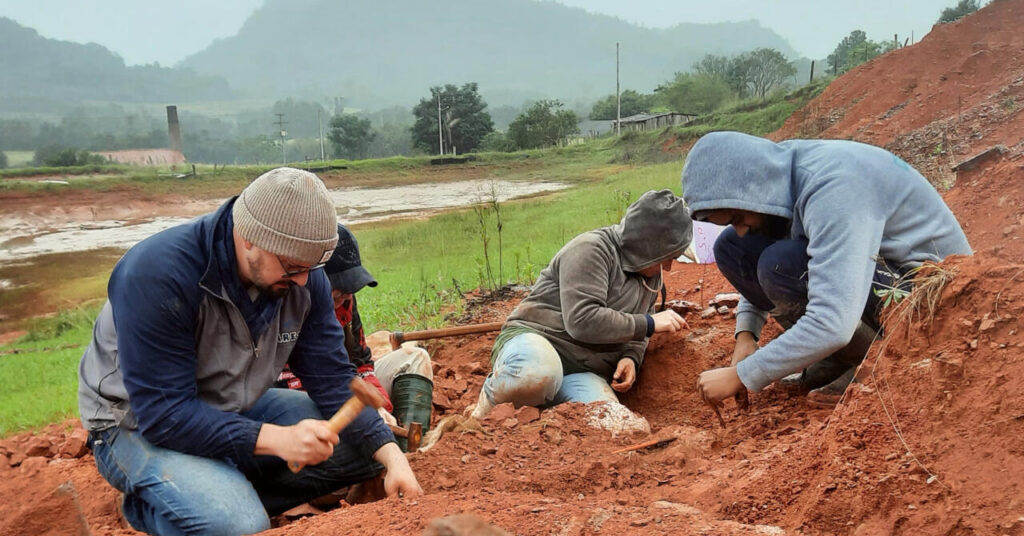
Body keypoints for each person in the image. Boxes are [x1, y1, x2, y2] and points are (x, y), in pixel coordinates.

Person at [78, 167, 423, 536]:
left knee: (365, 450)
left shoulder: (302, 277)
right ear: (249, 240)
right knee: (238, 528)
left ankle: (217, 489)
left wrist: (393, 457)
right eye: (293, 267)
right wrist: (275, 439)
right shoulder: (158, 274)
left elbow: (329, 375)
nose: (304, 282)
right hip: (134, 424)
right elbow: (165, 416)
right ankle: (152, 509)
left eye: (311, 269)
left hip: (230, 406)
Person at [682, 131, 972, 407]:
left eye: (738, 216)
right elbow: (754, 245)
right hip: (882, 268)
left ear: (753, 189)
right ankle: (839, 355)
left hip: (930, 300)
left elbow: (833, 321)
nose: (741, 229)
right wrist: (746, 336)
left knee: (781, 265)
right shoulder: (779, 174)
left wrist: (741, 375)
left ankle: (876, 360)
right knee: (732, 248)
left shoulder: (833, 188)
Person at [469, 189, 692, 423]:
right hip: (539, 341)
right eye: (668, 258)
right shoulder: (591, 250)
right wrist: (648, 323)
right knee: (535, 376)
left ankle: (540, 416)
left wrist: (631, 357)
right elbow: (582, 321)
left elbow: (640, 328)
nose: (668, 268)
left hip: (582, 370)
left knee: (619, 426)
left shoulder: (650, 274)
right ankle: (482, 412)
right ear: (649, 248)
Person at [277, 223, 434, 429]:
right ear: (313, 279)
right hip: (303, 400)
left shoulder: (345, 302)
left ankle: (410, 443)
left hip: (345, 385)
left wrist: (379, 405)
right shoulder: (287, 306)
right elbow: (291, 384)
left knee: (416, 358)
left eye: (350, 288)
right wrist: (361, 407)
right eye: (340, 288)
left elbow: (361, 364)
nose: (347, 296)